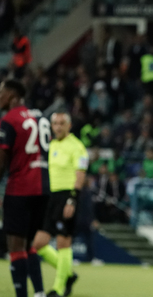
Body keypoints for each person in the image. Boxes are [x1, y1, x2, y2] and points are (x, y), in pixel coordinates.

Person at [0, 79, 51, 297]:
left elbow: (1, 162)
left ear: (11, 95)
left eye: (1, 92)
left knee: (15, 246)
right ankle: (39, 293)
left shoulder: (9, 120)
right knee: (29, 244)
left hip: (20, 188)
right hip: (43, 188)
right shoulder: (41, 117)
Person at [32, 112, 89, 297]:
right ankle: (69, 274)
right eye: (55, 123)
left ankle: (57, 288)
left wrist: (72, 199)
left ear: (69, 126)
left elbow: (80, 174)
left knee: (64, 243)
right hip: (50, 197)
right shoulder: (50, 145)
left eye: (61, 123)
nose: (57, 127)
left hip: (67, 196)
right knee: (38, 243)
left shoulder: (77, 147)